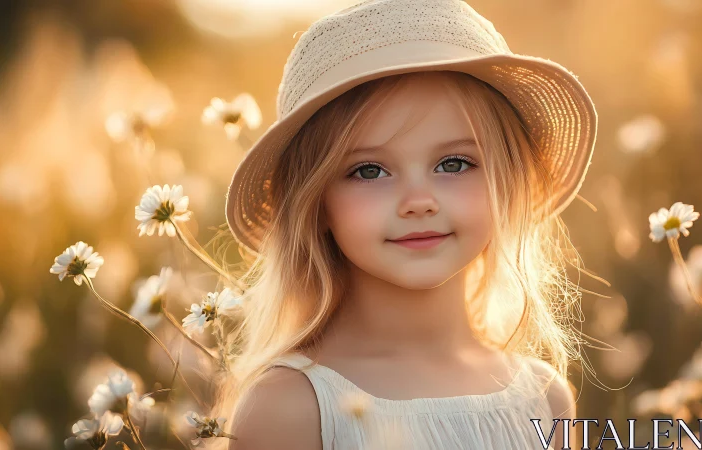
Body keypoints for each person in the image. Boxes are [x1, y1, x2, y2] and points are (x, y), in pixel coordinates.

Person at [216, 0, 598, 448]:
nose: (418, 202)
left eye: (454, 163)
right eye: (369, 171)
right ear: (316, 203)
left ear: (507, 182)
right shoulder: (291, 407)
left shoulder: (544, 397)